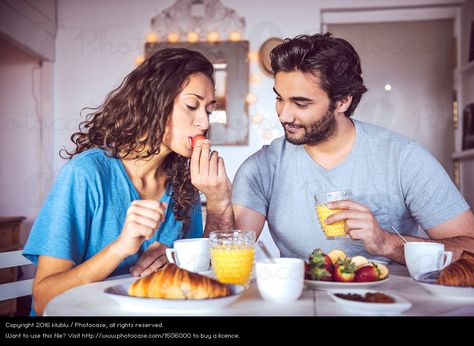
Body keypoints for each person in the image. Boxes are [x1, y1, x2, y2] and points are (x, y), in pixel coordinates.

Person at [210, 32, 474, 263]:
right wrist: (218, 201)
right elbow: (225, 256)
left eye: (300, 103)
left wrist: (387, 243)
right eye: (280, 99)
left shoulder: (404, 158)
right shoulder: (261, 168)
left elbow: (470, 250)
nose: (283, 115)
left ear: (342, 102)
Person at [23, 48, 230, 315]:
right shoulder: (86, 174)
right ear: (154, 102)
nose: (203, 121)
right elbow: (43, 299)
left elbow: (207, 276)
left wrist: (218, 201)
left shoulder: (182, 184)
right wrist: (120, 248)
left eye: (209, 110)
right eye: (192, 106)